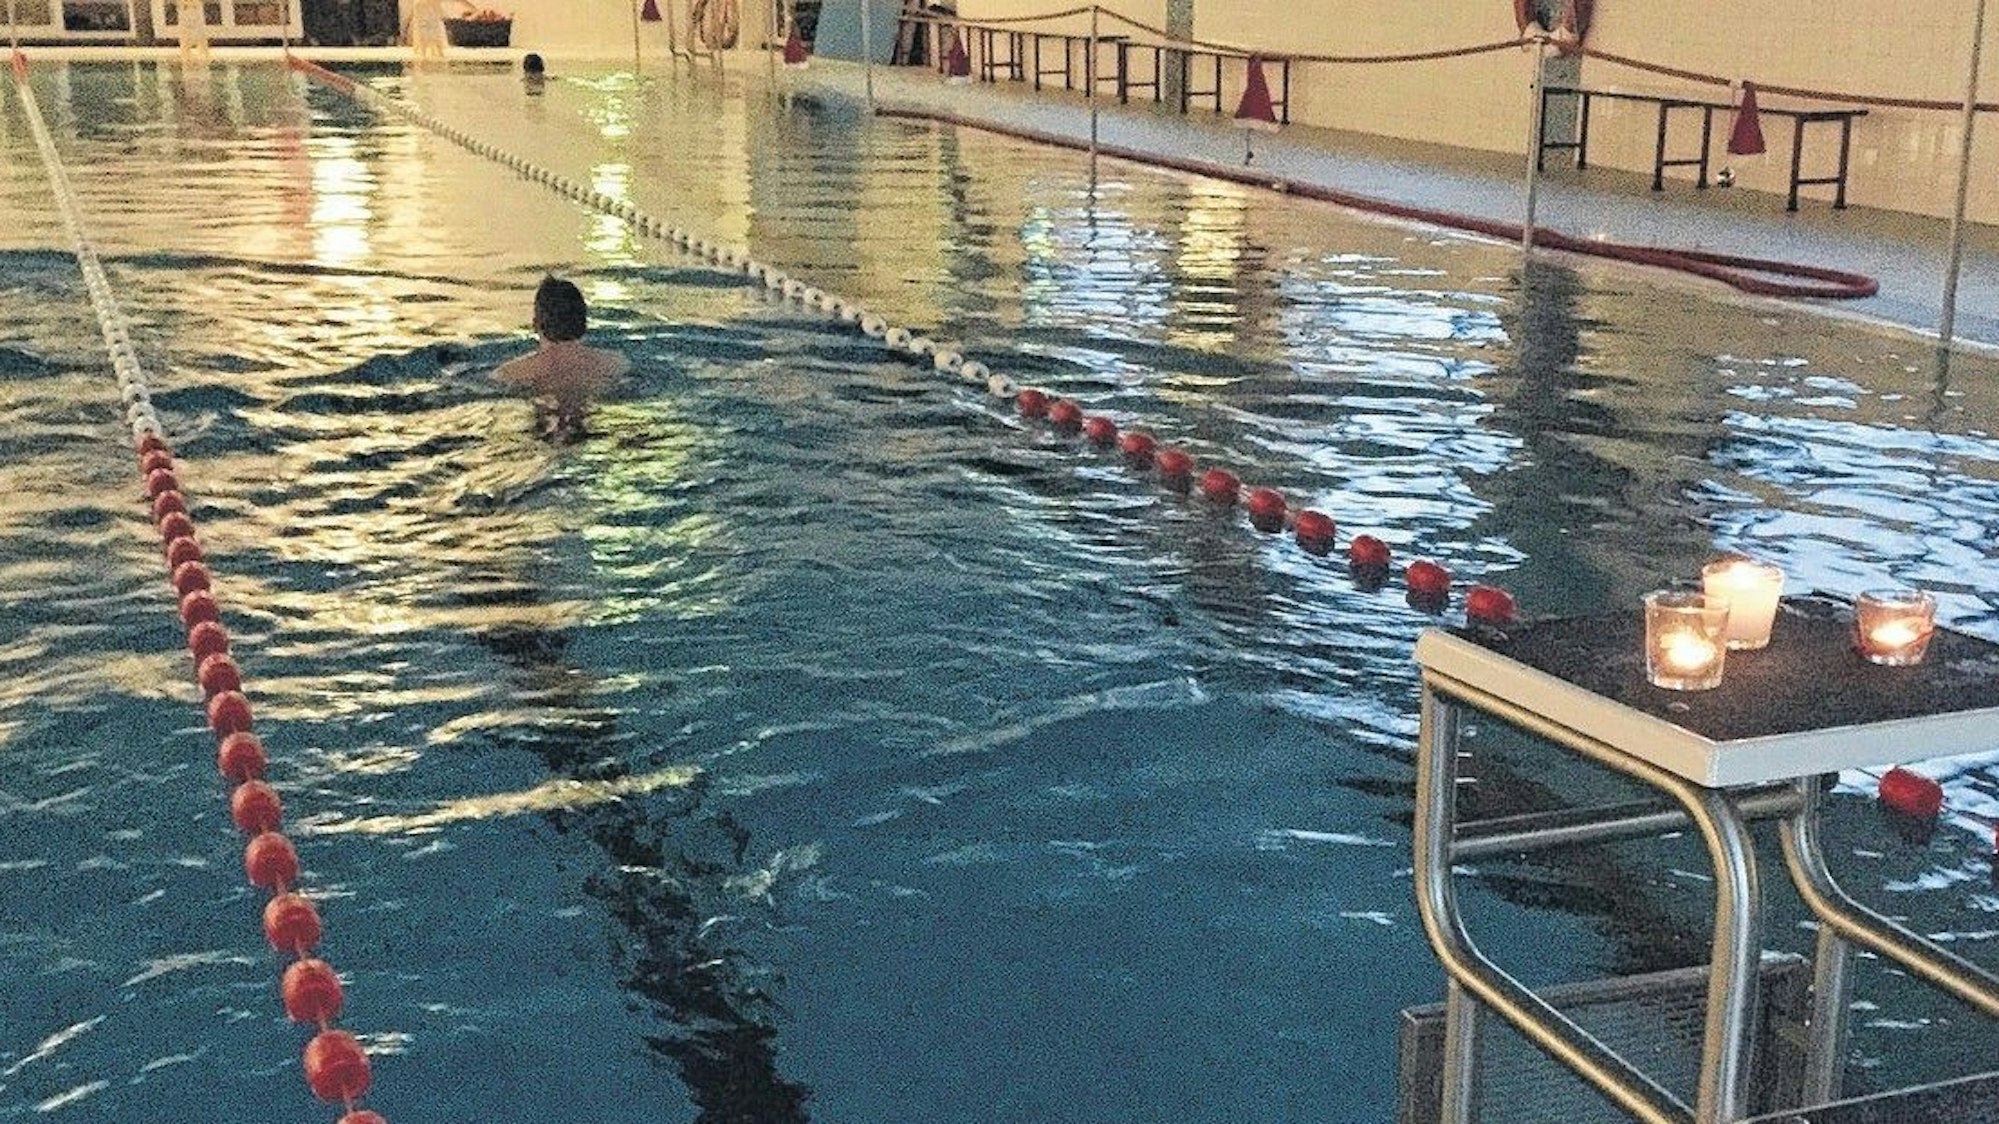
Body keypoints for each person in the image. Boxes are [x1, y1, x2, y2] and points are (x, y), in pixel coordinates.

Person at [493, 276, 629, 439]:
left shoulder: (511, 372)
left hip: (539, 436)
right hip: (595, 432)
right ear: (583, 323)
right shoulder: (615, 363)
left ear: (535, 323)